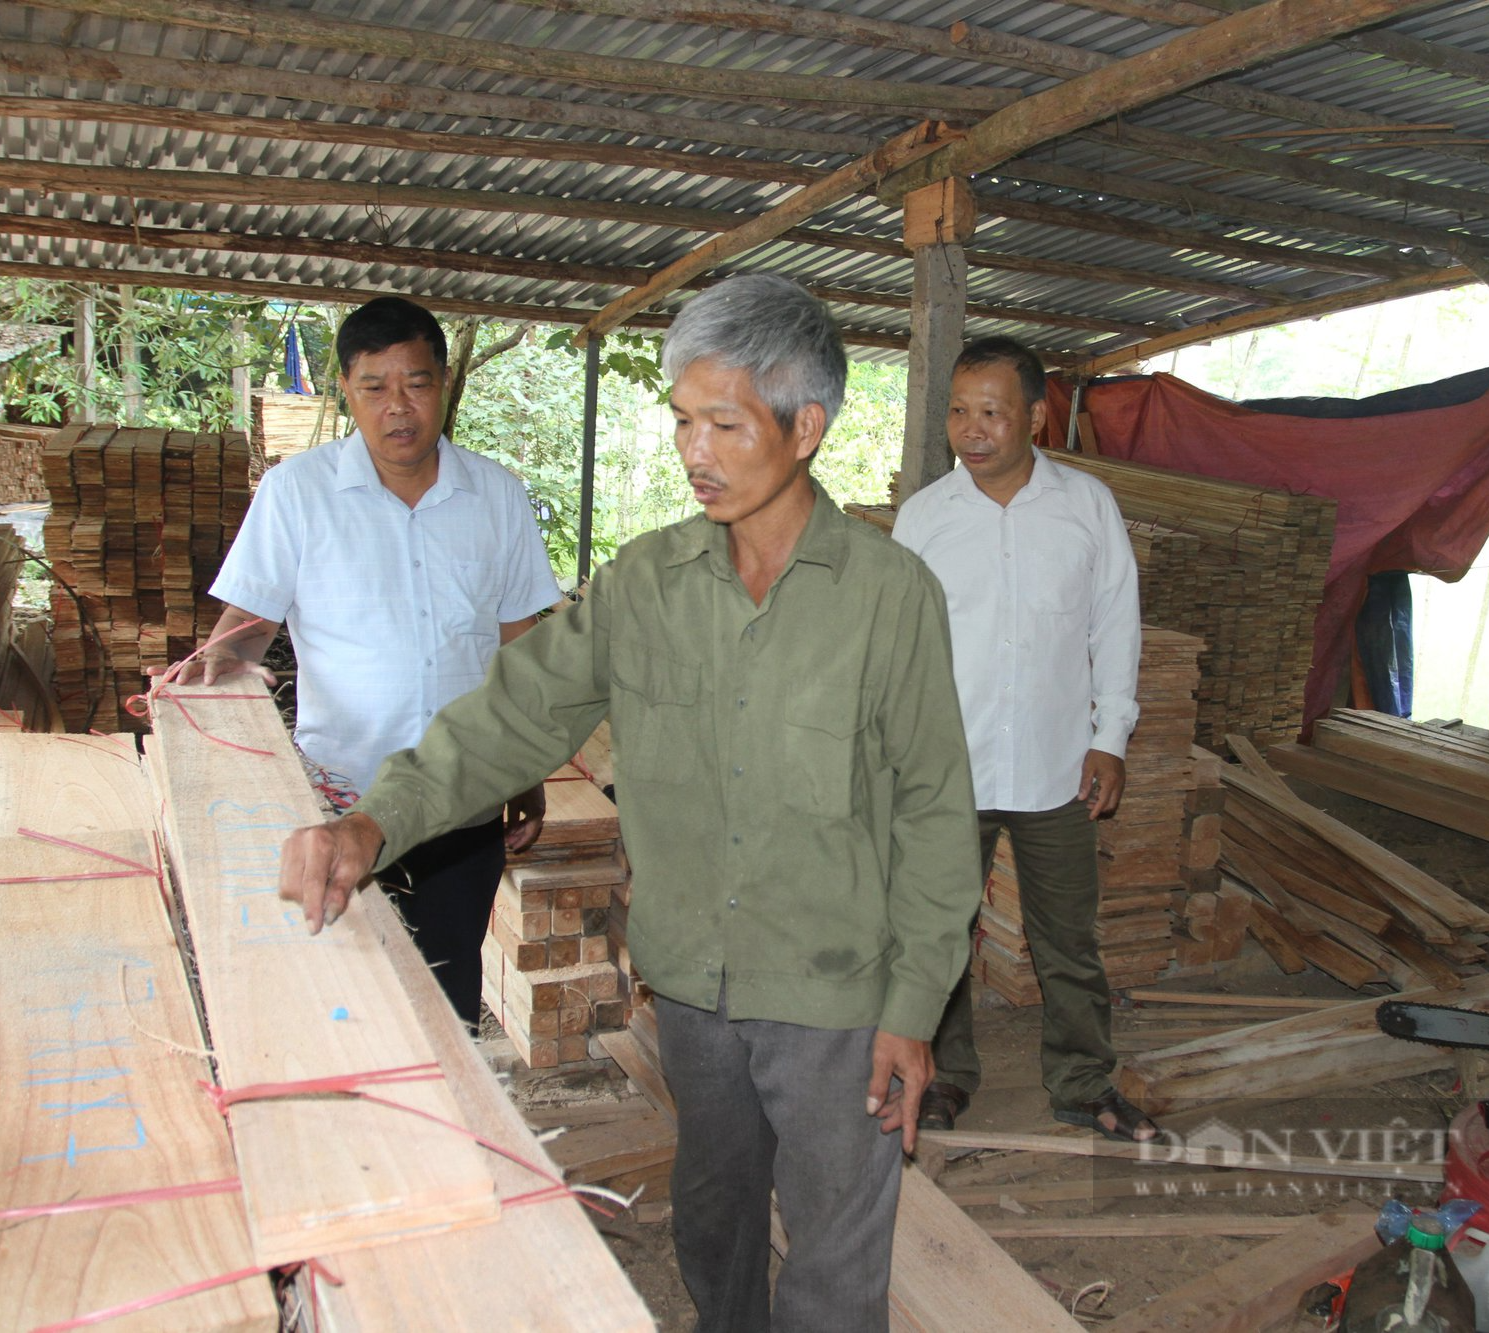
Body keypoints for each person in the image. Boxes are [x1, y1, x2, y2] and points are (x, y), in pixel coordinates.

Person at [275, 275, 983, 1331]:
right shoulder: (644, 583)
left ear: (805, 428)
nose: (693, 450)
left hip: (839, 1000)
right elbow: (510, 714)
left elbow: (934, 809)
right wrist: (373, 821)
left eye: (724, 423)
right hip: (692, 988)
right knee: (712, 1219)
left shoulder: (888, 598)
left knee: (835, 1266)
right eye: (682, 420)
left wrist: (913, 1007)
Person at [183, 295, 561, 1030]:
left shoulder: (498, 497)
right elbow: (248, 626)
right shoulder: (298, 493)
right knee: (342, 1008)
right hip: (339, 803)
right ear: (347, 390)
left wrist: (529, 772)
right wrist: (204, 672)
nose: (398, 408)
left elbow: (524, 645)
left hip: (464, 806)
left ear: (443, 384)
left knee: (447, 1000)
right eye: (375, 387)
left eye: (416, 383)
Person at [891, 336, 1159, 1144]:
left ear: (1036, 417)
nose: (972, 429)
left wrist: (1110, 736)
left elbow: (1116, 626)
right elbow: (899, 644)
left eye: (992, 412)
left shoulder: (1087, 507)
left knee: (1067, 940)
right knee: (938, 938)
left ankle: (1083, 1082)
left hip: (1055, 770)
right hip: (949, 770)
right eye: (960, 412)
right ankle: (942, 1076)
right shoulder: (925, 518)